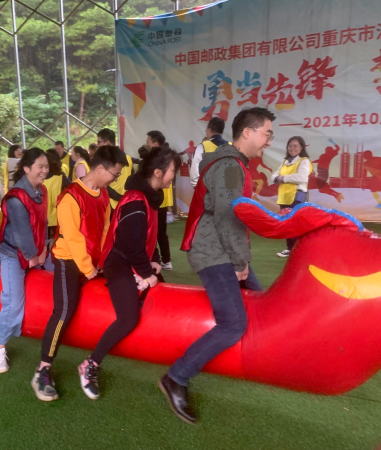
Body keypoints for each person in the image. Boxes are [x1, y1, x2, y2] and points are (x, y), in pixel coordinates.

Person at [160, 107, 275, 424]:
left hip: (222, 249)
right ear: (248, 132)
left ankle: (253, 363)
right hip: (214, 252)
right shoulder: (229, 166)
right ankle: (176, 377)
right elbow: (227, 218)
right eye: (266, 133)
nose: (269, 140)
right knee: (233, 324)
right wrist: (240, 263)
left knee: (260, 302)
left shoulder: (234, 164)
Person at [79, 147, 181, 399]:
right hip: (118, 263)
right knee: (128, 318)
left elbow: (149, 235)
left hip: (134, 260)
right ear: (158, 172)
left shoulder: (150, 197)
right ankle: (90, 364)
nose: (174, 176)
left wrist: (154, 261)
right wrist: (146, 273)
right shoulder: (136, 200)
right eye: (172, 171)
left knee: (161, 295)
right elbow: (130, 245)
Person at [31, 145, 128, 402]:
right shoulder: (71, 196)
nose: (115, 179)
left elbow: (105, 229)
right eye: (115, 174)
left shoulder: (103, 193)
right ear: (100, 169)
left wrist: (103, 262)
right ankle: (42, 369)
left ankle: (89, 363)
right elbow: (73, 238)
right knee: (64, 310)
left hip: (94, 262)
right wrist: (89, 269)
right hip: (69, 261)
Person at [0, 148, 49, 373]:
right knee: (12, 303)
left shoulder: (42, 190)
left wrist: (45, 248)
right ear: (26, 168)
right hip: (13, 254)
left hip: (36, 251)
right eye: (40, 167)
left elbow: (43, 222)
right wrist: (34, 257)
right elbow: (22, 233)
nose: (45, 170)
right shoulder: (16, 197)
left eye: (46, 166)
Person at [272, 136, 312, 257]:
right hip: (284, 196)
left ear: (301, 148)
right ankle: (290, 248)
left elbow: (302, 177)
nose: (292, 148)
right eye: (290, 146)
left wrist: (282, 178)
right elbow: (274, 176)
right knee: (287, 223)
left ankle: (298, 249)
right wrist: (277, 178)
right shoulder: (285, 162)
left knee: (295, 223)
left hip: (297, 196)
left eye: (295, 146)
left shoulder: (304, 161)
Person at [144, 130, 174, 271]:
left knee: (156, 231)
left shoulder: (160, 159)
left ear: (155, 144)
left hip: (158, 200)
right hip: (158, 199)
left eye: (148, 143)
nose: (146, 145)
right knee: (157, 231)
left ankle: (163, 259)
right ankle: (164, 260)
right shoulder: (165, 157)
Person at [98, 128, 134, 214]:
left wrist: (119, 197)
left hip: (110, 204)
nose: (97, 145)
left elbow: (102, 184)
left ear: (107, 143)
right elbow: (132, 179)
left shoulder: (105, 160)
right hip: (125, 204)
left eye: (99, 142)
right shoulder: (128, 158)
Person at [189, 117, 229, 187]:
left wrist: (198, 188)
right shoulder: (231, 146)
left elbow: (194, 176)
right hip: (227, 190)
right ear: (222, 132)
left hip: (207, 190)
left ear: (209, 130)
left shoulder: (202, 147)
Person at [44, 150, 71, 238]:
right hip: (57, 215)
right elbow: (72, 188)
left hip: (42, 216)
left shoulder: (38, 178)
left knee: (44, 241)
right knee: (59, 240)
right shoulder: (60, 177)